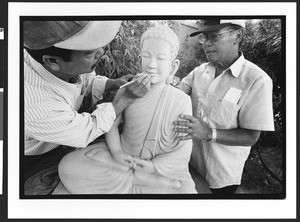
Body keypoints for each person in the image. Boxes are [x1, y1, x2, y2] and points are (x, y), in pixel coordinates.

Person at [57, 25, 202, 194]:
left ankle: (141, 180)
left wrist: (153, 166)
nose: (151, 65)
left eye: (160, 58)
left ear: (174, 66)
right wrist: (117, 152)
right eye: (146, 56)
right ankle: (139, 181)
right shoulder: (127, 90)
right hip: (122, 157)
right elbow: (110, 124)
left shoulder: (181, 100)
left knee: (186, 192)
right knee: (68, 166)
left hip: (158, 167)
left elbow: (183, 148)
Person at [24, 21, 151, 181]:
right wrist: (124, 99)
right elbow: (89, 129)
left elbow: (87, 79)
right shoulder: (32, 102)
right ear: (53, 61)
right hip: (36, 157)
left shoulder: (70, 64)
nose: (102, 52)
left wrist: (113, 83)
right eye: (89, 53)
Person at [173, 19, 275, 196]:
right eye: (204, 38)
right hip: (189, 162)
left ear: (237, 36)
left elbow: (251, 136)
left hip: (220, 177)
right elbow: (177, 93)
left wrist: (207, 133)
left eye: (214, 36)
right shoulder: (200, 71)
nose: (207, 44)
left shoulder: (256, 80)